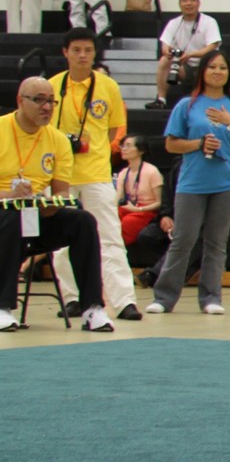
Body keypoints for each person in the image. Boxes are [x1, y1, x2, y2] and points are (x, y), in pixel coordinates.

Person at [145, 53, 230, 316]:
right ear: (203, 72)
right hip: (193, 182)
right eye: (212, 67)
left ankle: (211, 297)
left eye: (223, 67)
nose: (218, 71)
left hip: (228, 182)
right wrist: (199, 144)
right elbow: (171, 144)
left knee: (216, 242)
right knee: (183, 239)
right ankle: (164, 297)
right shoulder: (187, 105)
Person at [0, 76, 116, 332]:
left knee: (83, 220)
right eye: (38, 100)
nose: (46, 107)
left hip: (34, 215)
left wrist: (53, 204)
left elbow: (61, 191)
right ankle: (3, 307)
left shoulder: (58, 140)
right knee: (11, 216)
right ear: (20, 101)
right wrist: (9, 194)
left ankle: (92, 308)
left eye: (51, 102)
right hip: (4, 215)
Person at [46, 27, 140, 321]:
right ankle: (72, 298)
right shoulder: (52, 86)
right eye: (76, 50)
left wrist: (93, 147)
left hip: (96, 173)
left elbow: (112, 130)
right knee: (60, 242)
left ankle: (123, 301)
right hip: (59, 176)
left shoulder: (108, 86)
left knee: (110, 237)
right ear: (65, 52)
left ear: (95, 53)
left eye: (88, 50)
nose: (82, 56)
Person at [150, 0, 222, 110]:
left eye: (192, 0)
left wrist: (190, 55)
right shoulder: (174, 23)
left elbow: (212, 47)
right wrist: (167, 51)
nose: (189, 3)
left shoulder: (209, 22)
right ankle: (161, 100)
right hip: (184, 66)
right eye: (185, 0)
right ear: (180, 3)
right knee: (164, 60)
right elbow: (164, 44)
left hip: (205, 66)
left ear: (198, 3)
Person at [115, 135, 165, 259]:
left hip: (147, 210)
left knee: (127, 222)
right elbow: (119, 199)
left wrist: (138, 209)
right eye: (123, 146)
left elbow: (159, 202)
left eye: (128, 146)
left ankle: (118, 254)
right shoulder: (123, 173)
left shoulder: (152, 171)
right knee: (112, 217)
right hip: (130, 207)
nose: (124, 149)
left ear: (141, 150)